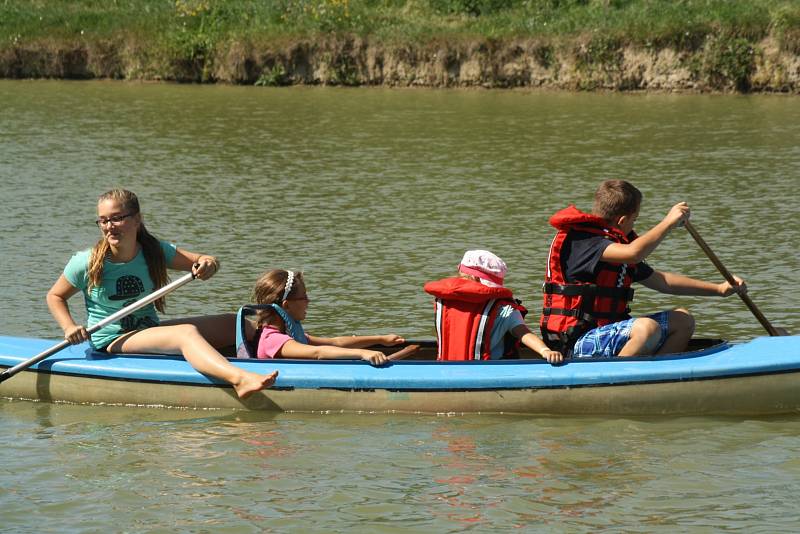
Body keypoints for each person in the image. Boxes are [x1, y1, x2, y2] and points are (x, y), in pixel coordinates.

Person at [46, 188, 277, 398]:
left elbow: (205, 259)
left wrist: (208, 265)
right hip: (112, 338)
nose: (109, 227)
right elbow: (55, 296)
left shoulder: (154, 251)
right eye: (103, 221)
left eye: (117, 218)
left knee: (237, 324)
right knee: (185, 334)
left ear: (136, 220)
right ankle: (239, 379)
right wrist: (69, 327)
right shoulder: (85, 262)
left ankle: (305, 354)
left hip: (147, 330)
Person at [540, 179, 746, 358]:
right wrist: (668, 222)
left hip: (607, 332)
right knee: (647, 328)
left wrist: (719, 289)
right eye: (635, 220)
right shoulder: (583, 241)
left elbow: (662, 282)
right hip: (575, 341)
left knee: (683, 320)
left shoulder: (615, 245)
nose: (634, 225)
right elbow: (634, 252)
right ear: (622, 220)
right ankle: (615, 382)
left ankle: (660, 377)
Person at [424, 250, 563, 363]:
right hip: (489, 369)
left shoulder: (442, 302)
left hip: (446, 368)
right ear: (478, 280)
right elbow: (523, 332)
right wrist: (545, 351)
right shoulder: (505, 309)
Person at [251, 269, 405, 365]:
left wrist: (380, 339)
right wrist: (363, 353)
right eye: (303, 297)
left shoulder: (290, 336)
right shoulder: (273, 340)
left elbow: (335, 342)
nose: (308, 301)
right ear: (286, 305)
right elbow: (318, 353)